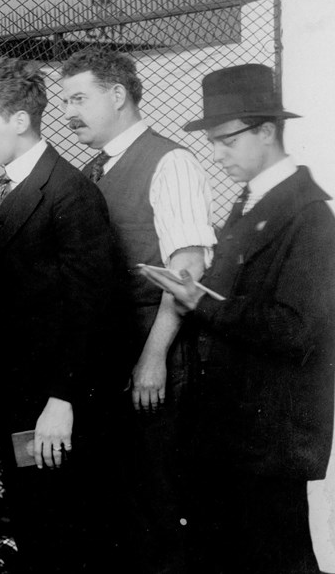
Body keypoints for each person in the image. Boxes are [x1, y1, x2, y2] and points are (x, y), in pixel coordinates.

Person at [141, 64, 335, 574]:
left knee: (278, 558)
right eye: (212, 142)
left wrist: (199, 303)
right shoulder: (255, 203)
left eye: (227, 140)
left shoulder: (309, 217)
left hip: (270, 443)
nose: (217, 154)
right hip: (234, 435)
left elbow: (294, 330)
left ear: (266, 131)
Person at [0, 57, 131, 574]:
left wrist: (62, 400)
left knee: (60, 535)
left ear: (19, 121)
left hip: (53, 409)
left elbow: (93, 308)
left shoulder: (68, 194)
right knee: (38, 529)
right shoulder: (16, 188)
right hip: (23, 403)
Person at [58, 47, 216, 574]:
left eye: (79, 98)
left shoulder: (170, 161)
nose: (69, 112)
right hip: (113, 359)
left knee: (159, 501)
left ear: (118, 95)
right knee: (121, 503)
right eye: (66, 100)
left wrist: (153, 358)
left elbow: (186, 271)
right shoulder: (94, 168)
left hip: (155, 361)